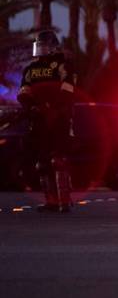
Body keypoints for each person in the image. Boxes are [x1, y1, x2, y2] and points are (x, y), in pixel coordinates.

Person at [17, 30, 75, 213]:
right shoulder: (30, 69)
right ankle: (51, 201)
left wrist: (53, 106)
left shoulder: (62, 65)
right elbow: (23, 93)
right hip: (38, 120)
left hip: (59, 118)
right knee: (42, 162)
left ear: (53, 47)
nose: (41, 49)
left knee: (58, 160)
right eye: (39, 45)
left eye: (44, 45)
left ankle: (64, 201)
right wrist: (32, 107)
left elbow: (68, 89)